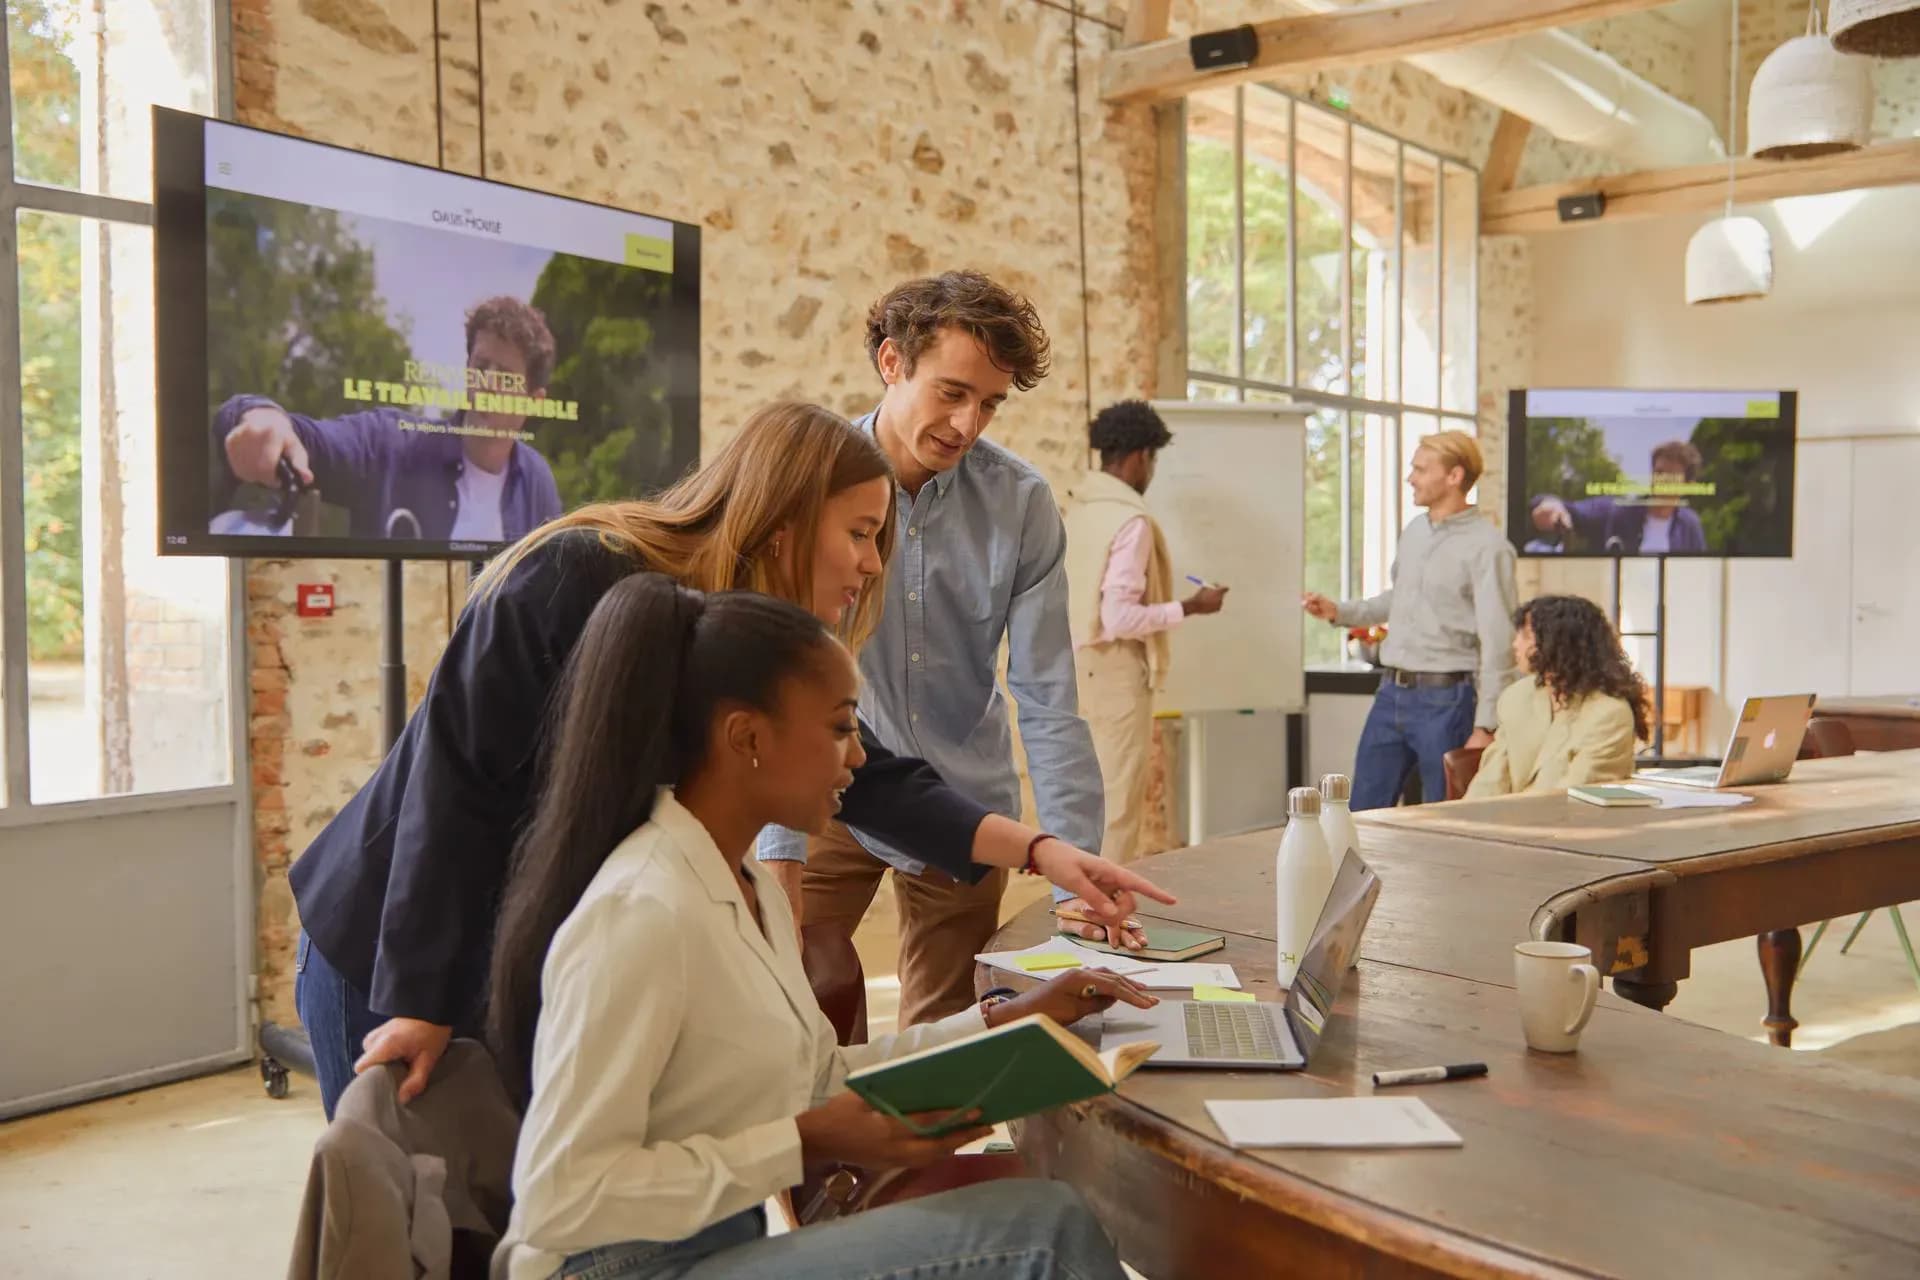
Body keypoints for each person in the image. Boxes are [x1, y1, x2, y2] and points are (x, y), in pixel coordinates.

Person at [290, 401, 1173, 1119]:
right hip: (394, 948)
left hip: (519, 956)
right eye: (861, 534)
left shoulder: (745, 638)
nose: (870, 565)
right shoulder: (574, 575)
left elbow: (859, 769)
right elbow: (455, 788)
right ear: (786, 521)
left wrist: (1035, 848)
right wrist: (421, 998)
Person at [489, 575, 1142, 1280]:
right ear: (747, 738)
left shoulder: (748, 890)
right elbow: (560, 1199)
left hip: (716, 1244)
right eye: (839, 727)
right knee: (1046, 1229)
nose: (858, 756)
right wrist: (796, 1143)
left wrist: (1002, 1021)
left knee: (1047, 1212)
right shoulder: (642, 912)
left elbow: (819, 1076)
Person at [760, 272, 1113, 1033]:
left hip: (964, 805)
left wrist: (1073, 875)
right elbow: (774, 679)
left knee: (942, 1050)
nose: (968, 423)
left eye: (989, 403)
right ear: (893, 363)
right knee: (790, 1009)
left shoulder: (1021, 505)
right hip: (830, 799)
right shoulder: (808, 481)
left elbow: (1048, 696)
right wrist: (778, 857)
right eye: (952, 392)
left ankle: (906, 1160)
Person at [213, 296, 565, 543]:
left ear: (534, 402)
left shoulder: (538, 481)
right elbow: (306, 438)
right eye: (480, 366)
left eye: (504, 375)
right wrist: (259, 415)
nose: (485, 382)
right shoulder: (392, 443)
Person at [1302, 430, 1517, 811]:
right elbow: (1398, 599)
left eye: (1420, 469)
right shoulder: (1415, 532)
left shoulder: (1489, 548)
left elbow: (1499, 642)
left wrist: (1486, 726)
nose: (1410, 478)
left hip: (1448, 701)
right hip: (1390, 694)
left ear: (1454, 476)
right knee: (1361, 812)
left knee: (1444, 819)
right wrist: (1341, 612)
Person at [1064, 400, 1226, 865]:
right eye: (1153, 460)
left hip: (1073, 670)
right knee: (1116, 807)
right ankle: (1104, 916)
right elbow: (1119, 618)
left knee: (1078, 803)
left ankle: (1073, 910)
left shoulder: (1077, 509)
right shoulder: (1128, 520)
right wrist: (1190, 607)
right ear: (1140, 457)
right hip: (1113, 672)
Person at [1466, 594, 1647, 797]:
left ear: (1558, 643)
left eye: (1525, 636)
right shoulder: (1516, 697)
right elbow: (1490, 781)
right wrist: (1461, 820)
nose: (1515, 644)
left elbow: (1568, 797)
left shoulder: (1609, 715)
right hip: (1511, 821)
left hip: (1571, 824)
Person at [1527, 440, 1708, 555]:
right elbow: (1570, 509)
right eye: (1659, 472)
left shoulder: (1690, 526)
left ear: (1688, 484)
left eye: (1672, 474)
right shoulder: (1617, 511)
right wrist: (1550, 505)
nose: (1662, 480)